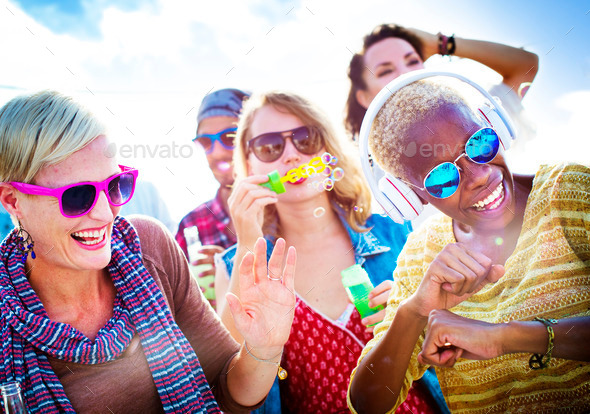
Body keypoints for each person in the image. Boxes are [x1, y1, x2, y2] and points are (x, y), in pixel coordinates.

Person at [0, 90, 298, 413]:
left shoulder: (150, 249)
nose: (106, 213)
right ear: (13, 201)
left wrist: (264, 347)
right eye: (77, 196)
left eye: (115, 186)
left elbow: (227, 388)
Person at [347, 76, 590, 413]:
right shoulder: (422, 255)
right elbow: (368, 402)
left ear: (494, 126)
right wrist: (414, 310)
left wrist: (503, 337)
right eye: (443, 178)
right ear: (412, 198)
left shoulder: (569, 192)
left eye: (480, 145)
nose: (479, 176)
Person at [215, 91, 448, 413]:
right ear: (249, 163)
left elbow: (458, 332)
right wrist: (246, 242)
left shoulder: (394, 229)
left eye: (306, 139)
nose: (292, 156)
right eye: (270, 146)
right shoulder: (233, 265)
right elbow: (230, 390)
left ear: (329, 149)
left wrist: (416, 316)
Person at [344, 24, 539, 141]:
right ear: (365, 97)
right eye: (385, 71)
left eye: (412, 61)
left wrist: (442, 44)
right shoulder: (371, 183)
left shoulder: (476, 119)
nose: (405, 74)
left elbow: (526, 65)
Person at [176, 88, 250, 309]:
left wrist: (230, 269)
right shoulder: (192, 225)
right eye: (206, 142)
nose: (216, 153)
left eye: (230, 137)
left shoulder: (290, 211)